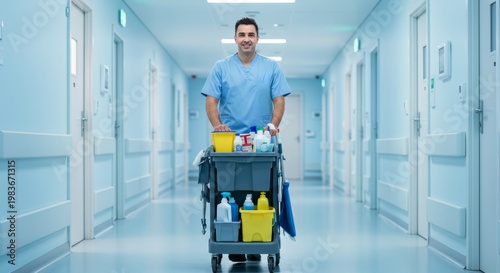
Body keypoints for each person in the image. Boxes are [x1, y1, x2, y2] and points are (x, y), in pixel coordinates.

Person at [201, 17, 291, 262]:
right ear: (235, 39)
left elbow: (279, 99)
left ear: (258, 38)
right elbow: (211, 99)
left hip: (261, 142)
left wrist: (273, 124)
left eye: (251, 34)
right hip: (229, 144)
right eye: (242, 34)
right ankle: (232, 242)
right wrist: (217, 125)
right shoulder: (221, 67)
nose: (246, 39)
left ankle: (257, 241)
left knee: (263, 192)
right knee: (228, 192)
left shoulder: (271, 67)